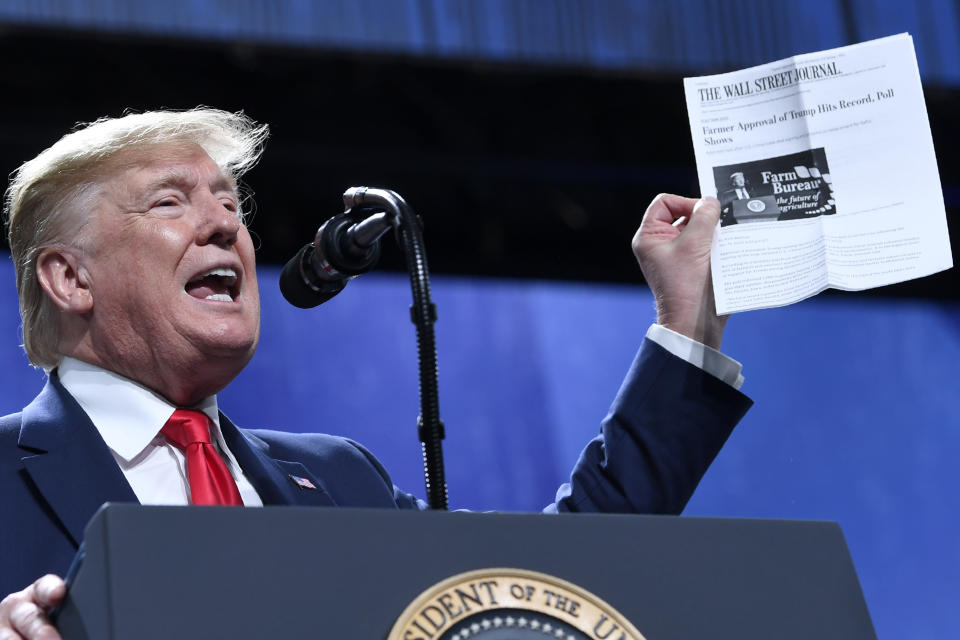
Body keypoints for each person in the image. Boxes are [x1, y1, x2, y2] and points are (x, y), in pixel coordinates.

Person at [0, 108, 751, 638]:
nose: (226, 224)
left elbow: (555, 584)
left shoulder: (338, 480)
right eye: (170, 201)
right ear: (70, 280)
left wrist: (687, 323)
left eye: (231, 204)